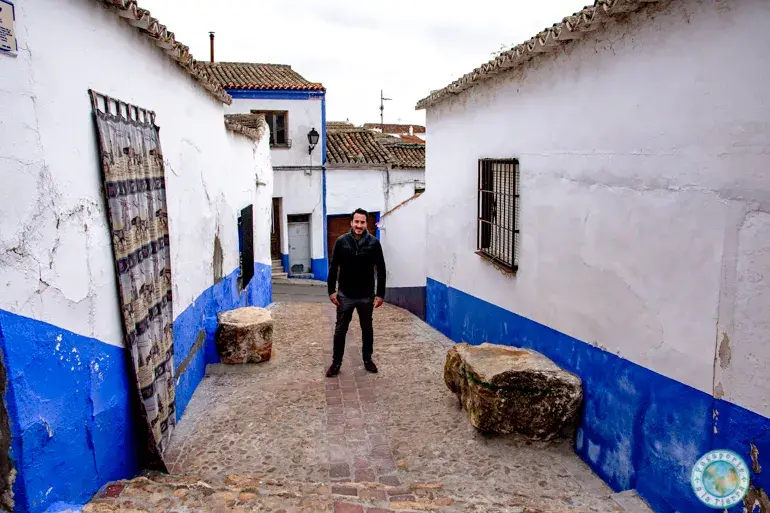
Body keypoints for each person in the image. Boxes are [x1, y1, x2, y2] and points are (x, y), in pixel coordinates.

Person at [326, 208, 386, 377]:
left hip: (366, 296)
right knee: (340, 330)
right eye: (356, 222)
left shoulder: (374, 243)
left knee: (367, 329)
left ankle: (367, 359)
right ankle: (336, 363)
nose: (359, 225)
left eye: (362, 222)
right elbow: (333, 267)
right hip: (345, 295)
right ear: (351, 223)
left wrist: (380, 294)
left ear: (366, 224)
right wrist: (331, 291)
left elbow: (381, 270)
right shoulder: (341, 242)